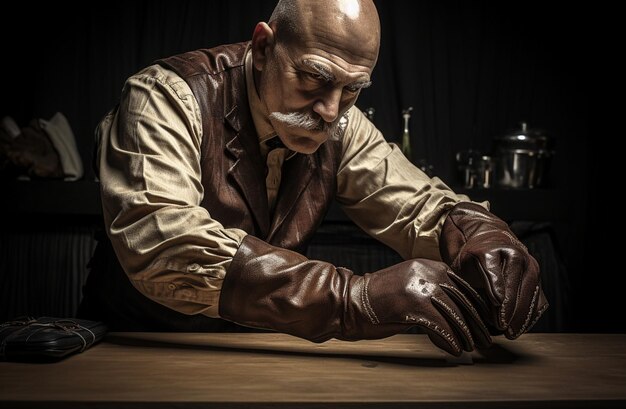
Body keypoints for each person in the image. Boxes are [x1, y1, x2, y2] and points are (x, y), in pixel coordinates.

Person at [78, 0, 548, 357]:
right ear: (263, 47)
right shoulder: (164, 97)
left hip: (260, 357)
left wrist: (477, 234)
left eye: (352, 90)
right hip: (139, 352)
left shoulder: (340, 122)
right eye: (314, 78)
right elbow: (165, 244)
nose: (329, 111)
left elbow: (416, 206)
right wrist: (353, 297)